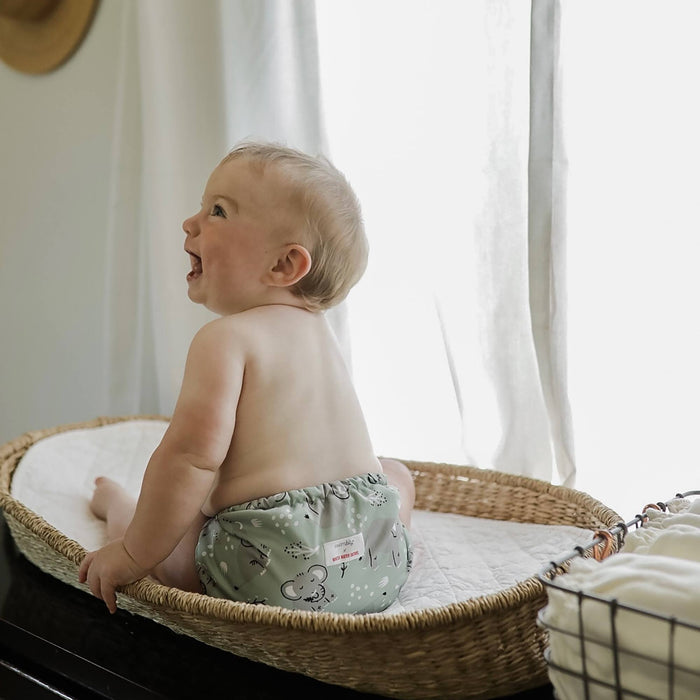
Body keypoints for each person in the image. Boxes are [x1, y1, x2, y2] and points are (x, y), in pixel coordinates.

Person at [79, 142, 414, 615]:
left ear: (283, 266)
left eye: (217, 211)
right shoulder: (323, 336)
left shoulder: (224, 339)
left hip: (273, 570)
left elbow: (189, 459)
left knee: (172, 536)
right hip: (379, 560)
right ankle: (379, 540)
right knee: (394, 473)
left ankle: (117, 507)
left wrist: (135, 553)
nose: (189, 223)